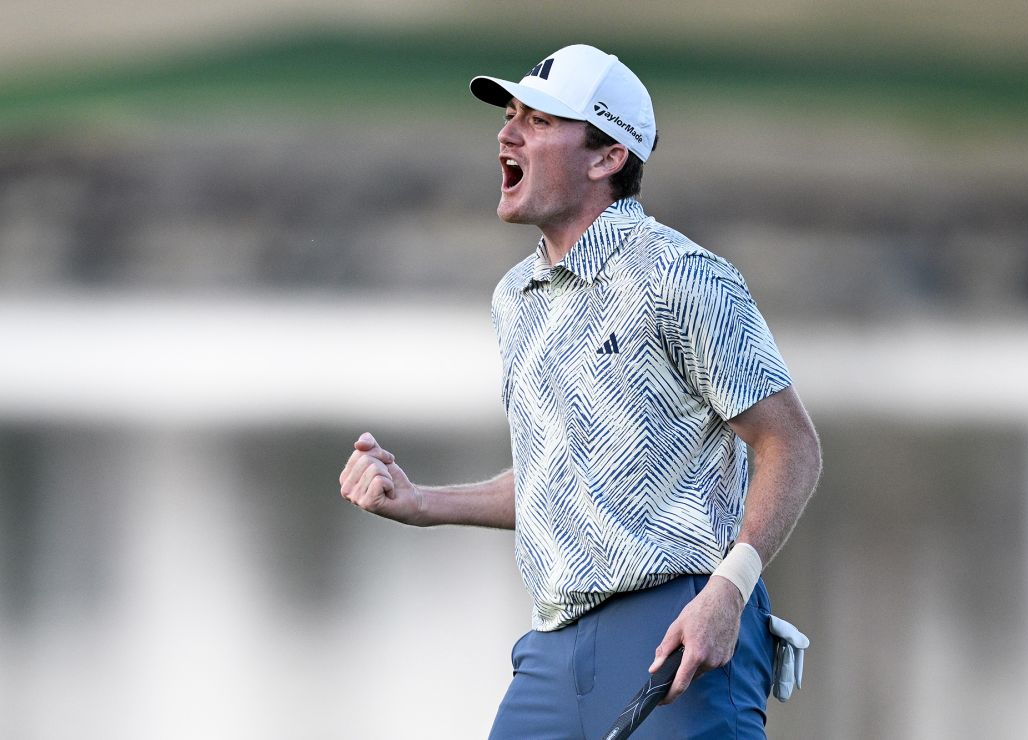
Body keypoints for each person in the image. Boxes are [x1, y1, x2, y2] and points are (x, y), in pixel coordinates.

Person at [339, 44, 822, 738]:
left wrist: (729, 590)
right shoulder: (517, 299)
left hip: (678, 637)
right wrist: (423, 502)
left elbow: (791, 445)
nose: (506, 134)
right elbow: (557, 480)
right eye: (510, 116)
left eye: (537, 121)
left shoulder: (681, 276)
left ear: (606, 157)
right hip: (551, 651)